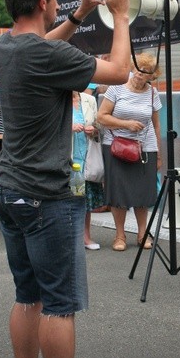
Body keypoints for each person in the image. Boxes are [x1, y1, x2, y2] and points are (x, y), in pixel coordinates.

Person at [0, 0, 131, 358]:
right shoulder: (49, 57)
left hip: (10, 188)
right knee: (59, 305)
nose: (57, 3)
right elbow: (120, 70)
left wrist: (78, 14)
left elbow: (44, 43)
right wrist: (120, 17)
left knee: (27, 297)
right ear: (41, 0)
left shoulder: (5, 46)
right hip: (46, 196)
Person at [97, 52, 162, 252]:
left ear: (152, 75)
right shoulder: (116, 89)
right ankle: (120, 235)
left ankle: (143, 233)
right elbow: (102, 117)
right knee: (119, 192)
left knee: (143, 191)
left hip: (145, 148)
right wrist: (126, 124)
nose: (139, 74)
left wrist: (158, 153)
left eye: (145, 72)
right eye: (137, 69)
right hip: (116, 146)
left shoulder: (152, 93)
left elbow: (156, 126)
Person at [71, 90, 104, 250]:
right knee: (68, 200)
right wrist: (69, 127)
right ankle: (70, 237)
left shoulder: (90, 100)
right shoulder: (56, 98)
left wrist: (94, 129)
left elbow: (99, 125)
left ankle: (85, 237)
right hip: (67, 158)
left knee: (84, 201)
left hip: (88, 156)